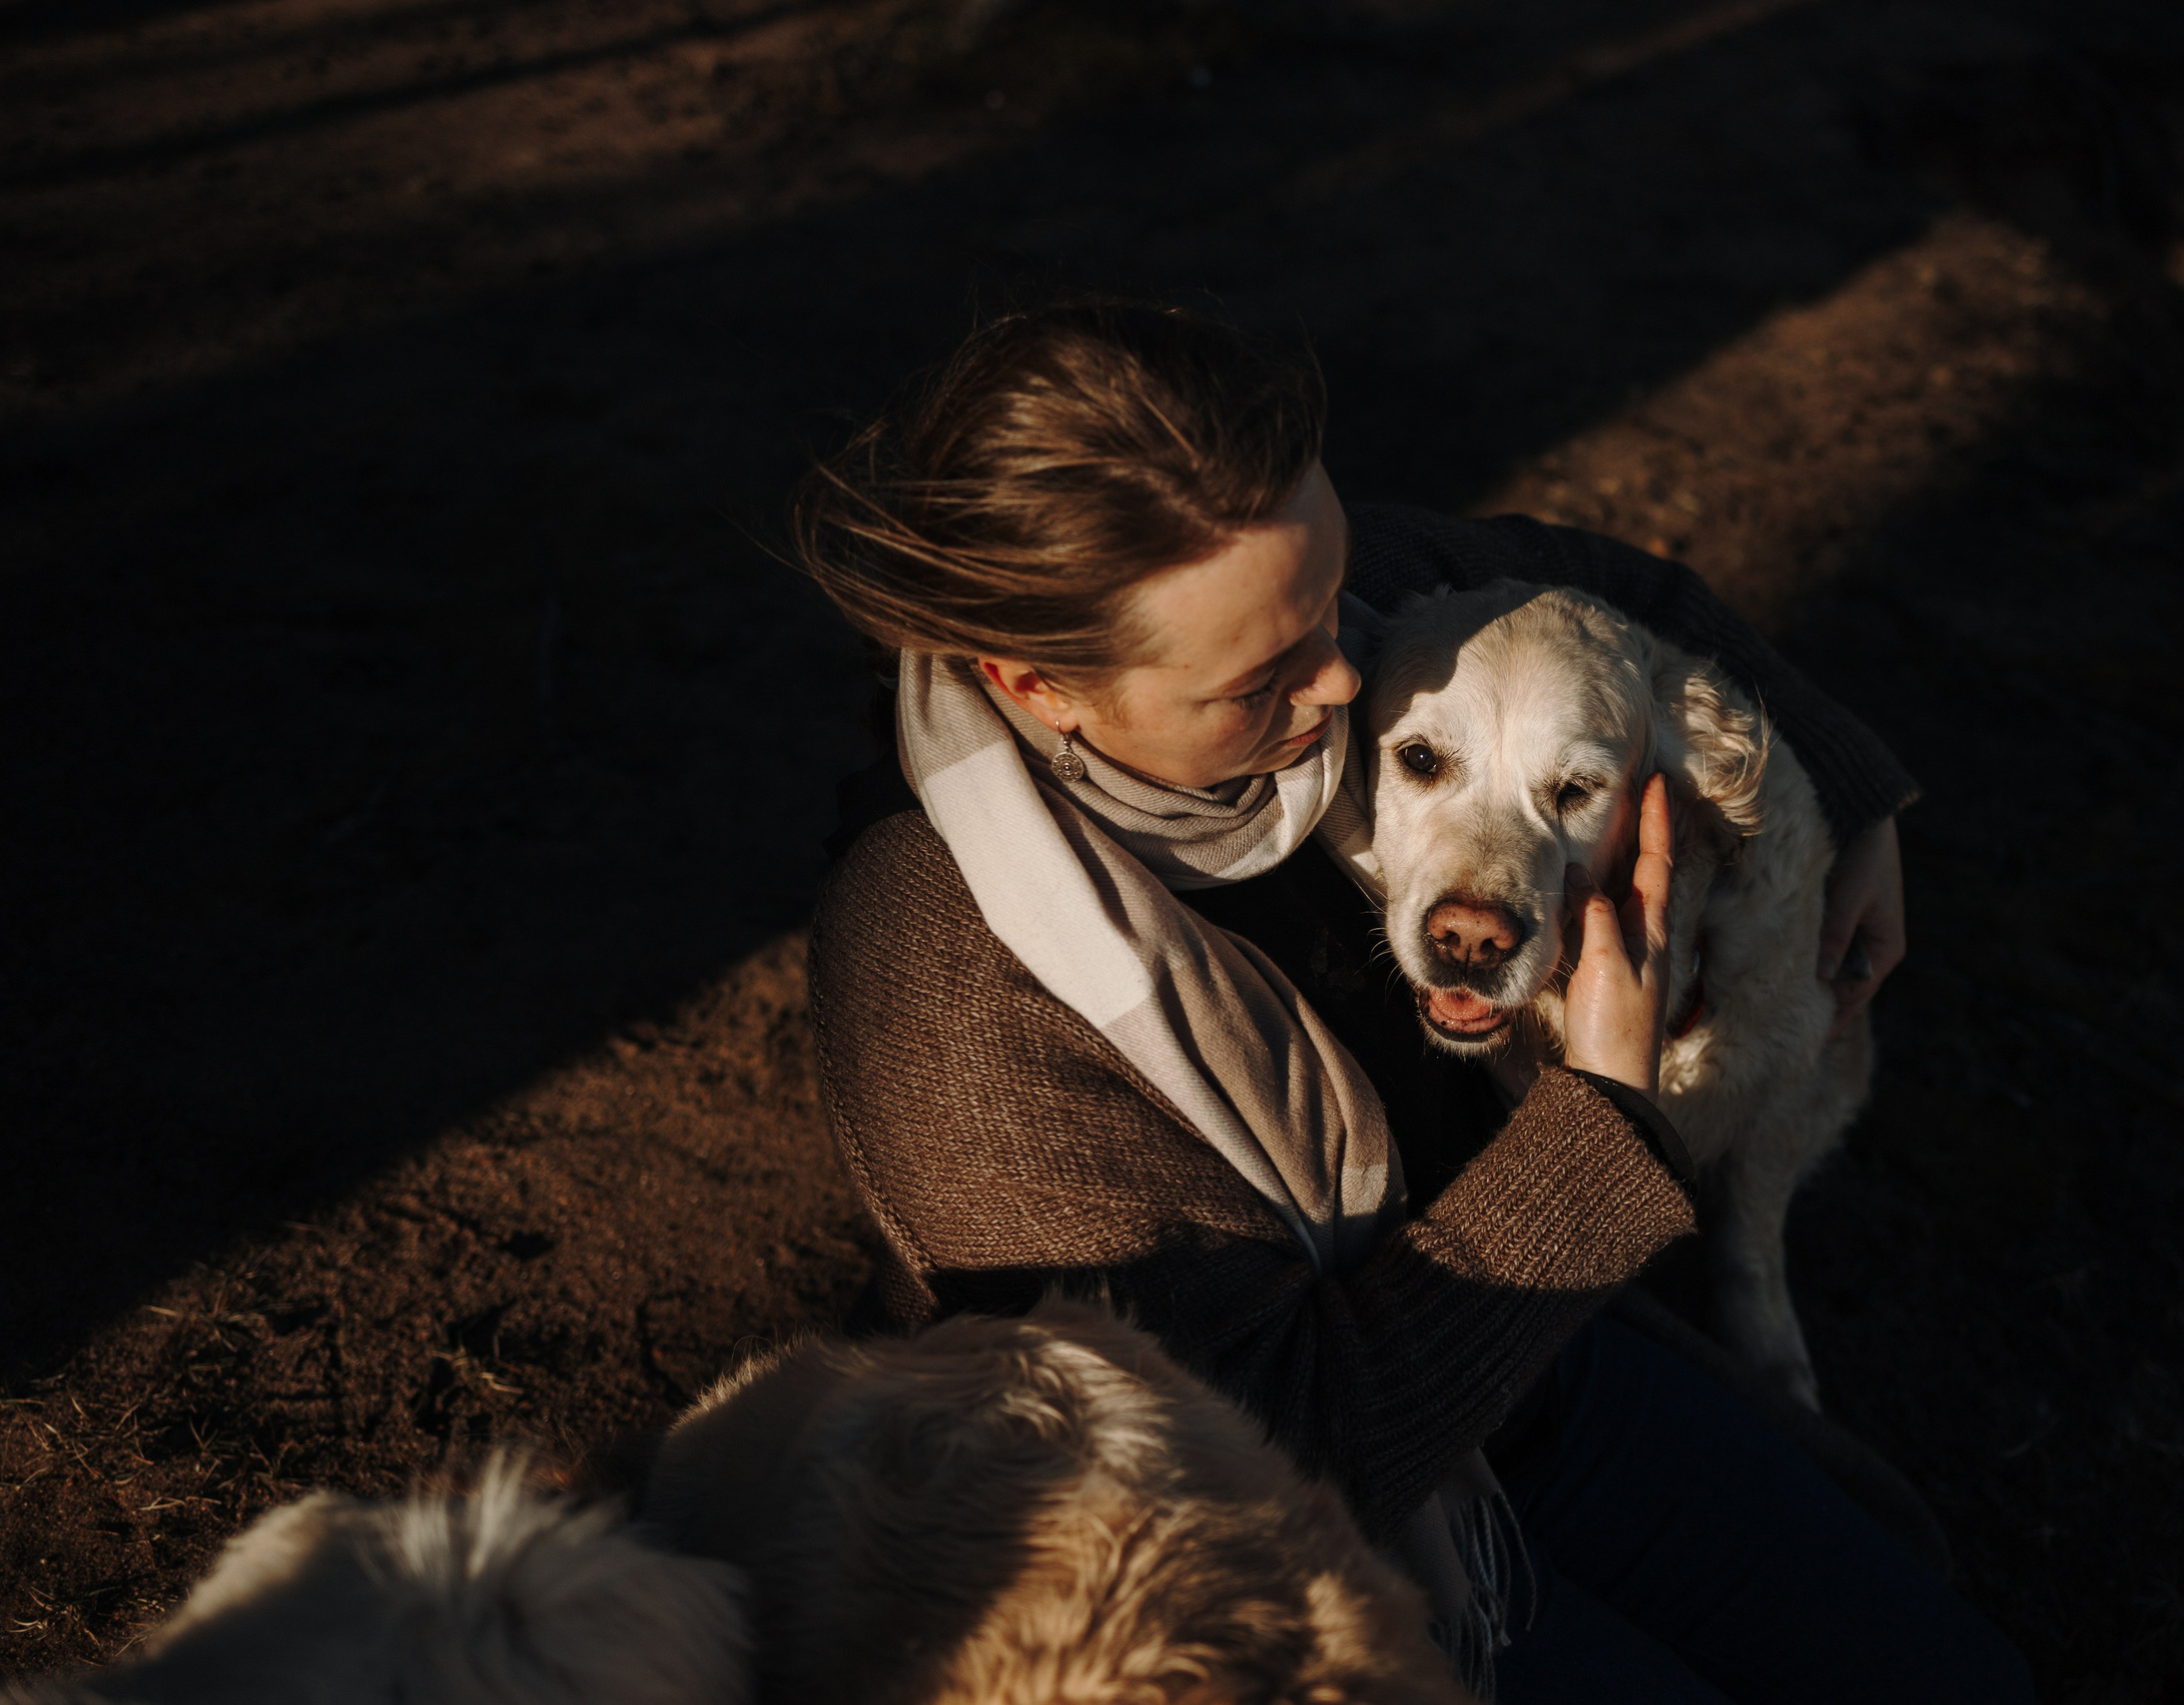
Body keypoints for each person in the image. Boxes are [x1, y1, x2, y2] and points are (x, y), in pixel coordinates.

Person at [796, 300, 2030, 1702]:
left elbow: (1613, 600)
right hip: (1288, 1524)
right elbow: (1278, 1442)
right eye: (1263, 679)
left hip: (1540, 1364)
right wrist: (1599, 1124)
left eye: (1329, 597)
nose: (1345, 673)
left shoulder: (1327, 603)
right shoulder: (953, 984)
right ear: (1040, 687)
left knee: (1960, 1680)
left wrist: (1854, 794)